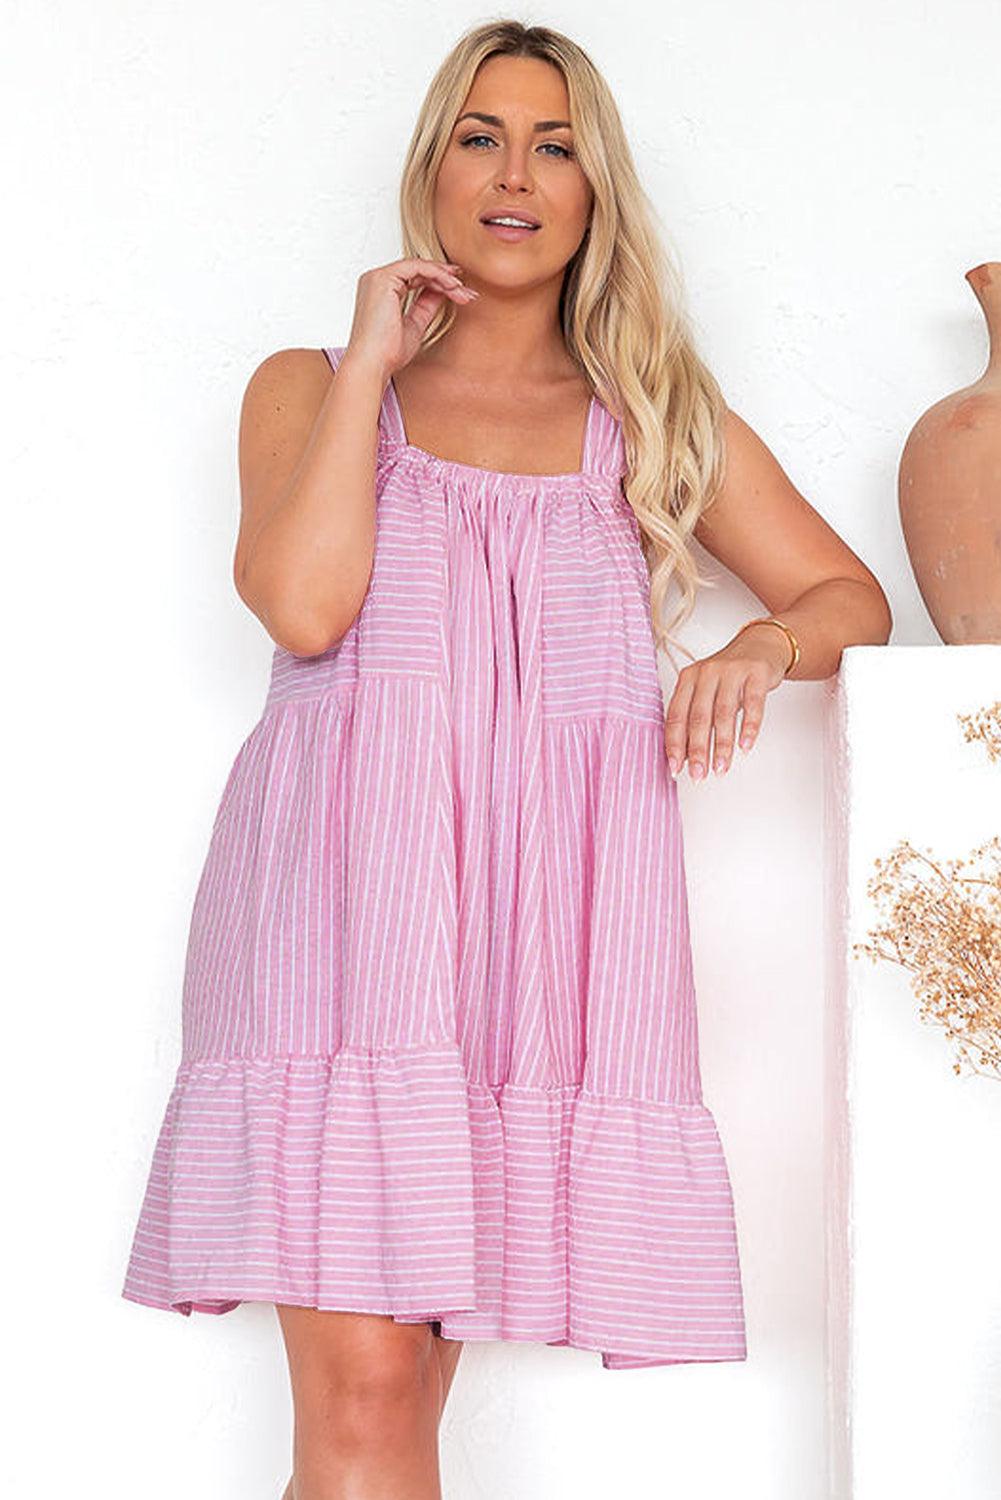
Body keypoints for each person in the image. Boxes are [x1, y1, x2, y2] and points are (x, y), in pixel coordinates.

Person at [121, 19, 892, 1500]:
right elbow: (302, 607)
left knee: (395, 1403)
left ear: (598, 191)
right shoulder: (308, 385)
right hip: (339, 923)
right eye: (480, 138)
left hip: (538, 947)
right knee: (363, 1399)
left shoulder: (648, 424)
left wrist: (758, 646)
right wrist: (371, 361)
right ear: (432, 169)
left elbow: (846, 597)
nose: (516, 175)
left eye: (555, 147)